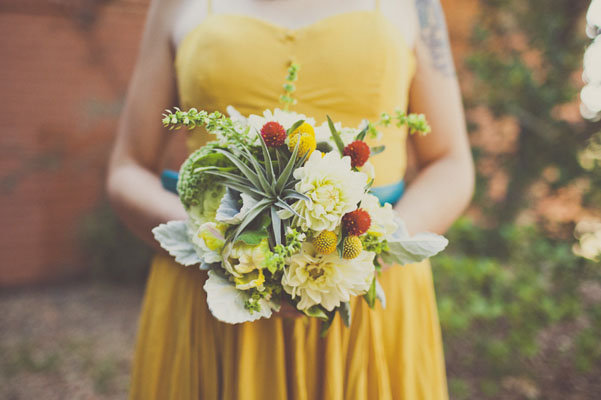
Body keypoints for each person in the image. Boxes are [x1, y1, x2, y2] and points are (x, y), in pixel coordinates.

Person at [106, 0, 474, 398]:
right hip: (212, 301)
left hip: (367, 301)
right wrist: (219, 247)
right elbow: (128, 168)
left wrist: (366, 255)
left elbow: (451, 162)